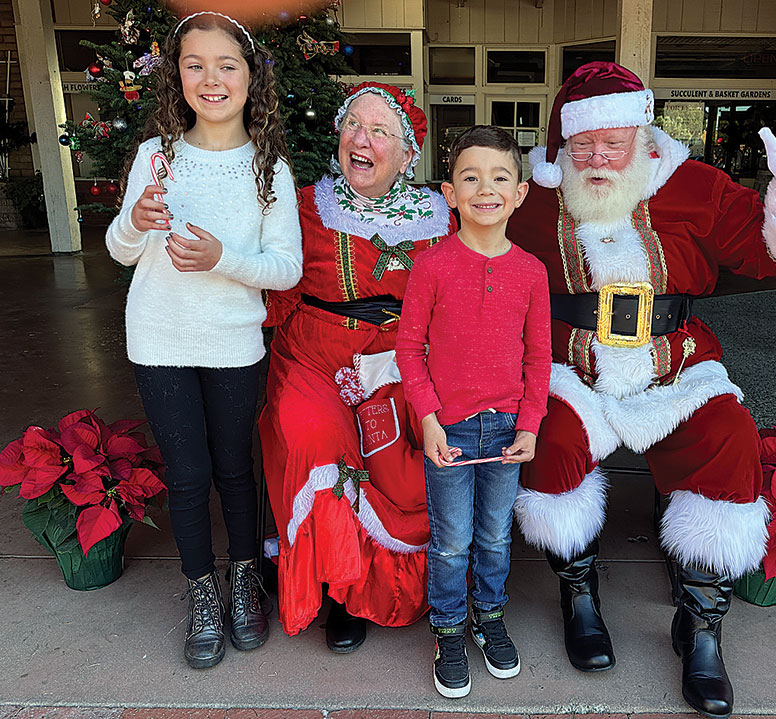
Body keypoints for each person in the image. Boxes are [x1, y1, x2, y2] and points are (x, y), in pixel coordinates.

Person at [507, 62, 776, 717]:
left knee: (728, 436)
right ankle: (578, 595)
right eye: (583, 145)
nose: (598, 158)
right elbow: (471, 243)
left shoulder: (695, 186)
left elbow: (771, 248)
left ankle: (701, 625)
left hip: (675, 368)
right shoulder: (533, 198)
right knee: (548, 434)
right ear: (562, 145)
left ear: (643, 133)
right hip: (572, 369)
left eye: (613, 142)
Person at [105, 11, 303, 669]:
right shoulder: (154, 156)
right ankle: (201, 589)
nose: (210, 78)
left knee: (234, 468)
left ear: (251, 78)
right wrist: (134, 220)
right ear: (177, 76)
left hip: (232, 342)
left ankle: (245, 574)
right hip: (159, 338)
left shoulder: (269, 168)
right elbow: (121, 251)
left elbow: (286, 268)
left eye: (227, 65)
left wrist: (222, 256)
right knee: (187, 476)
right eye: (195, 64)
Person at [259, 83, 457, 650]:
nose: (361, 140)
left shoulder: (440, 216)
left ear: (407, 152)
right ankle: (337, 583)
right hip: (314, 357)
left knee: (399, 464)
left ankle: (370, 586)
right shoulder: (303, 205)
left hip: (403, 359)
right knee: (311, 434)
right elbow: (270, 278)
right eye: (352, 125)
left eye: (380, 131)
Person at [395, 125, 551, 698]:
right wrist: (430, 419)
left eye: (499, 177)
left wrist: (531, 423)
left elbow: (540, 356)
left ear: (520, 193)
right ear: (449, 192)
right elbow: (409, 349)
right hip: (451, 430)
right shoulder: (432, 266)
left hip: (508, 428)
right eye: (470, 177)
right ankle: (448, 629)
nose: (485, 188)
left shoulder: (532, 272)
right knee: (452, 539)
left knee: (493, 537)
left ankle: (489, 617)